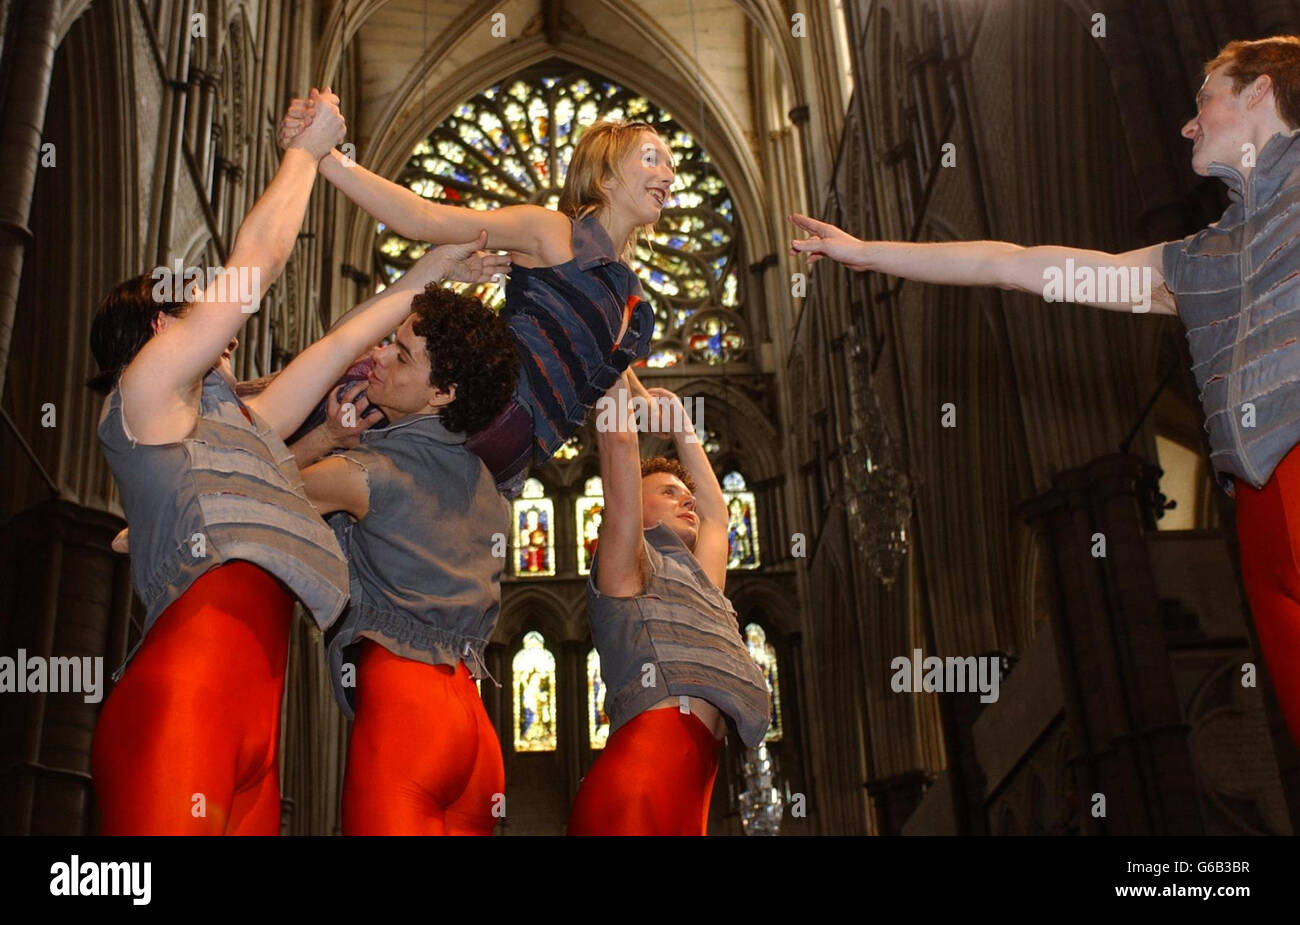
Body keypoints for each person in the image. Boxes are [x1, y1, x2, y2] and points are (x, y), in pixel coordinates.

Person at [789, 36, 1300, 747]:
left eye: (1205, 99)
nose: (1188, 123)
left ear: (1261, 94)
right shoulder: (1192, 261)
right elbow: (1018, 266)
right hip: (1261, 524)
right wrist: (869, 252)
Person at [87, 89, 504, 835]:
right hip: (183, 702)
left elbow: (340, 347)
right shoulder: (145, 397)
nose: (231, 333)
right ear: (160, 327)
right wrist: (305, 157)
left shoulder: (239, 425)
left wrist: (433, 270)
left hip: (258, 735)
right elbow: (255, 268)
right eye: (195, 307)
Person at [279, 100, 673, 494]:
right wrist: (321, 154)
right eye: (654, 159)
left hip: (488, 460)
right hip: (440, 411)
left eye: (671, 165)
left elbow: (602, 361)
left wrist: (646, 405)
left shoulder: (621, 295)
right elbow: (422, 218)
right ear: (605, 177)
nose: (668, 176)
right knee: (275, 473)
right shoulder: (553, 233)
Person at [295, 286, 518, 835]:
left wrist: (324, 435)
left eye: (401, 354)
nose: (378, 357)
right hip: (474, 727)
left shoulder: (367, 474)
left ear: (443, 392)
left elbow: (245, 497)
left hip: (406, 718)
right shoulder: (491, 491)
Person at [567, 375, 772, 835]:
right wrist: (618, 355)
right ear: (634, 510)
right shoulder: (626, 569)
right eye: (668, 493)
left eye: (687, 495)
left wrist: (683, 428)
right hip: (637, 789)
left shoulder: (703, 587)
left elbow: (718, 514)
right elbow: (619, 442)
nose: (688, 501)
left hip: (689, 799)